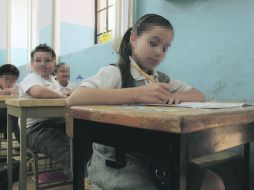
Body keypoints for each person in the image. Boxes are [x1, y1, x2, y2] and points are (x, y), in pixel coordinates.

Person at [67, 14, 224, 190]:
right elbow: (75, 98)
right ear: (133, 38)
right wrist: (137, 94)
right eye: (153, 43)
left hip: (154, 158)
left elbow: (198, 95)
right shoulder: (116, 73)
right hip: (117, 163)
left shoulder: (161, 78)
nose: (159, 52)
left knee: (213, 183)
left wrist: (178, 97)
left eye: (165, 48)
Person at [19, 44, 71, 176]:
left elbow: (64, 92)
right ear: (31, 64)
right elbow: (38, 91)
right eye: (38, 60)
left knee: (84, 139)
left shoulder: (53, 81)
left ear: (54, 64)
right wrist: (63, 97)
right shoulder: (31, 78)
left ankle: (86, 172)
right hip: (35, 129)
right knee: (67, 151)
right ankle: (82, 180)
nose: (43, 64)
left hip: (58, 123)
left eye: (48, 60)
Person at [0, 64, 20, 140]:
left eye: (13, 79)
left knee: (18, 116)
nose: (10, 82)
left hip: (14, 117)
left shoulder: (18, 87)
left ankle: (24, 145)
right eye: (6, 79)